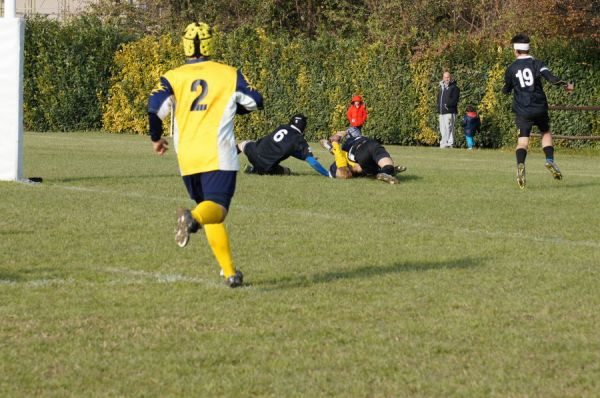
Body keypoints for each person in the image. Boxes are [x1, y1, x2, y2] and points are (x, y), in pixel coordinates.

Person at [147, 22, 263, 288]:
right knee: (215, 210)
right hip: (218, 153)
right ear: (211, 43)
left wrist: (156, 139)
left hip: (187, 156)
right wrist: (232, 105)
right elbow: (256, 101)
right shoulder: (228, 73)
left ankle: (230, 272)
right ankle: (192, 219)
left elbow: (154, 110)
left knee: (209, 208)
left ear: (185, 45)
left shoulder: (172, 76)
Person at [502, 33, 574, 189]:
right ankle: (549, 160)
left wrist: (507, 86)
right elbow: (553, 79)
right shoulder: (537, 63)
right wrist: (566, 85)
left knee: (522, 141)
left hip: (523, 110)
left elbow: (506, 90)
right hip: (540, 108)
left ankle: (521, 164)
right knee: (546, 132)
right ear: (528, 49)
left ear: (515, 50)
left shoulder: (511, 68)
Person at [237, 114, 329, 177]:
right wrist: (327, 174)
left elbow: (286, 148)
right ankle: (256, 170)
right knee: (287, 171)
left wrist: (303, 157)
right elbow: (312, 162)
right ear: (303, 127)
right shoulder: (299, 139)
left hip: (253, 152)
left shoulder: (282, 127)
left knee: (242, 144)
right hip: (267, 167)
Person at [320, 127, 406, 184]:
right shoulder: (363, 137)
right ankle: (387, 171)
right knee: (387, 165)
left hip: (359, 152)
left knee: (357, 168)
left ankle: (379, 173)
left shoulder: (347, 143)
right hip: (373, 145)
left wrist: (334, 144)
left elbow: (339, 155)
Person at [436, 71, 460, 148]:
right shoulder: (442, 88)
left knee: (449, 127)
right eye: (445, 77)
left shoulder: (455, 88)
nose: (447, 79)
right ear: (443, 78)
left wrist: (448, 105)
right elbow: (438, 99)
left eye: (448, 77)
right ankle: (445, 142)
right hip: (441, 111)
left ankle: (449, 143)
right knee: (442, 128)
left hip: (450, 111)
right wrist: (438, 106)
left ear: (451, 78)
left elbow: (455, 99)